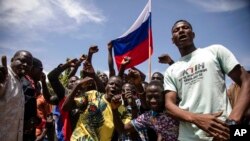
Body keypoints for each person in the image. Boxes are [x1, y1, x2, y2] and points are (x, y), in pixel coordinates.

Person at [164, 20, 250, 141]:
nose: (181, 30)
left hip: (222, 133)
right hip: (188, 137)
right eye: (176, 30)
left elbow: (246, 80)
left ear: (193, 34)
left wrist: (232, 122)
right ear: (173, 40)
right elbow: (169, 105)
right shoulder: (171, 70)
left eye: (185, 27)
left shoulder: (215, 51)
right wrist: (196, 118)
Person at [62, 76, 131, 141]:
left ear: (121, 91)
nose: (114, 86)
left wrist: (115, 110)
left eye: (117, 85)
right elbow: (65, 107)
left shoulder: (124, 111)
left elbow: (123, 130)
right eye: (111, 84)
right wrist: (78, 85)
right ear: (106, 86)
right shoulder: (92, 95)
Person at [111, 80, 179, 141]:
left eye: (156, 96)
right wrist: (114, 109)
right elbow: (123, 129)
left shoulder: (176, 110)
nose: (152, 100)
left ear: (164, 96)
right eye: (149, 97)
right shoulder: (148, 116)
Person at [0, 50, 33, 141]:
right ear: (12, 60)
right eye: (22, 60)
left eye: (29, 64)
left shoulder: (20, 80)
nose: (25, 65)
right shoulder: (5, 75)